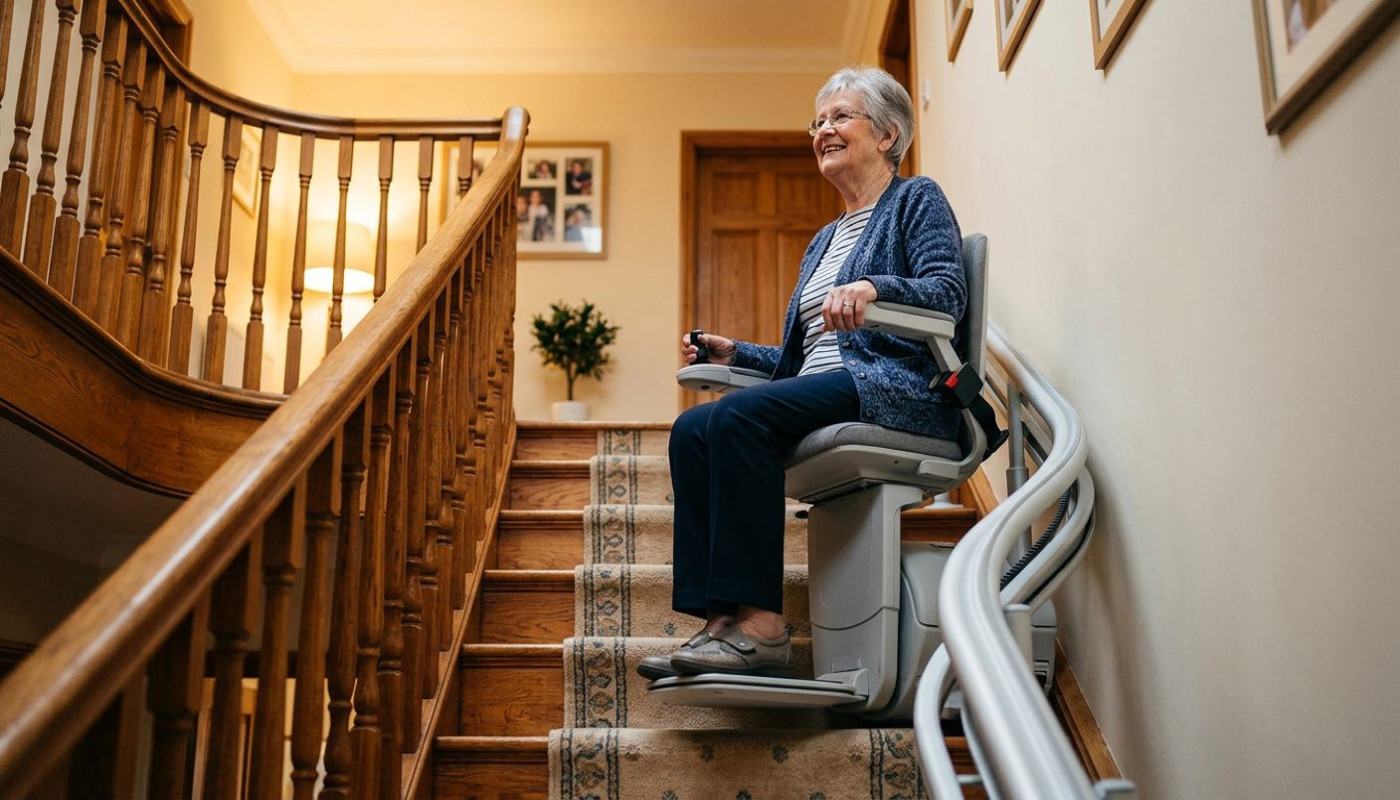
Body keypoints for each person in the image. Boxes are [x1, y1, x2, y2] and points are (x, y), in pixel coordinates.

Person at [639, 66, 966, 680]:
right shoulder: (823, 239)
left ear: (889, 135)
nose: (823, 130)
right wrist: (738, 354)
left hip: (887, 386)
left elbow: (947, 293)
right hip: (825, 385)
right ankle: (721, 623)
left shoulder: (915, 199)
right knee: (693, 430)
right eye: (818, 122)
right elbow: (800, 358)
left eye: (840, 117)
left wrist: (876, 286)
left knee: (735, 419)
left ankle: (762, 628)